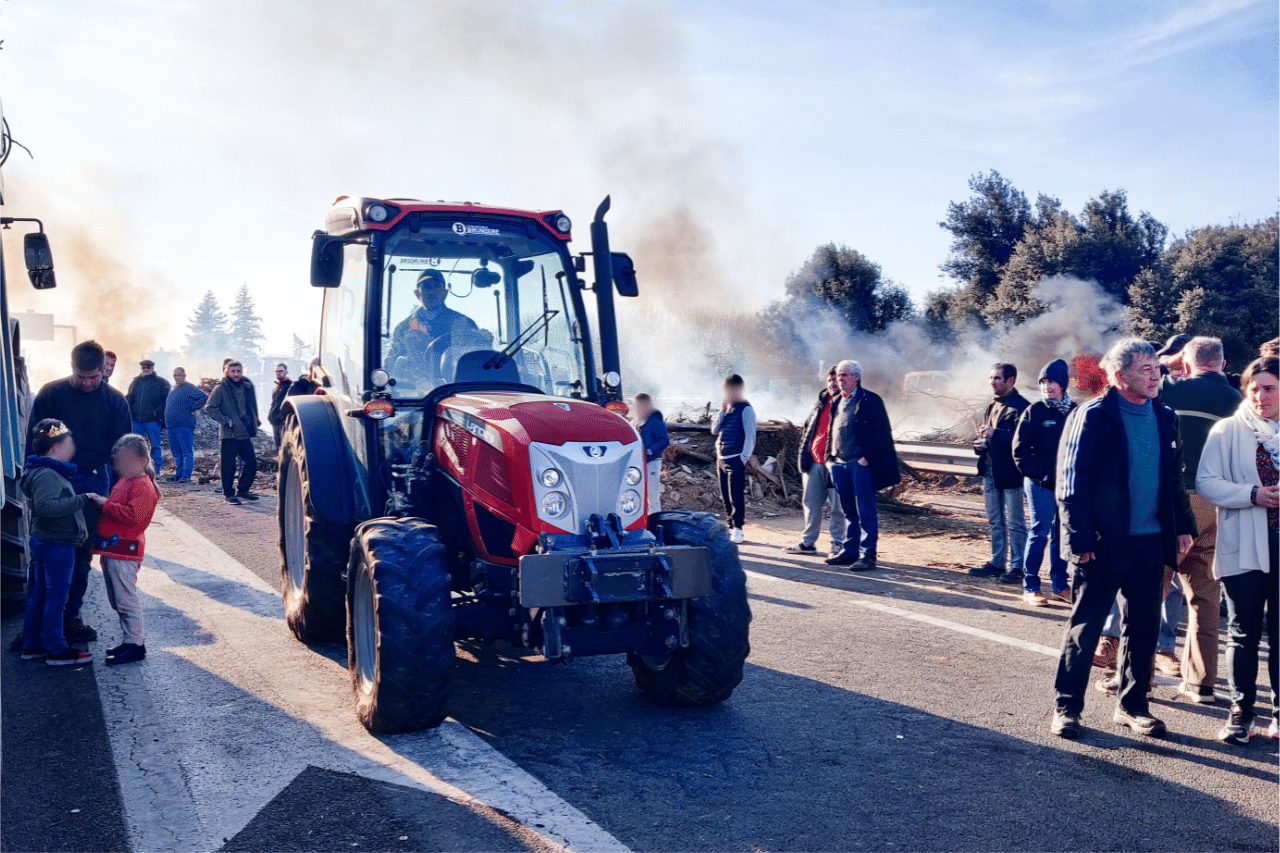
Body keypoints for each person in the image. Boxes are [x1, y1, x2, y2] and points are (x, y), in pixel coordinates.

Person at [1050, 338, 1195, 740]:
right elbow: (1071, 486)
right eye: (1145, 369)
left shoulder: (1165, 416)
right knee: (1087, 627)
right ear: (1118, 376)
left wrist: (1182, 525)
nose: (1156, 375)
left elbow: (1173, 478)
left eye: (1156, 367)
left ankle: (1133, 707)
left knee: (1143, 627)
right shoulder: (1093, 416)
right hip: (1101, 543)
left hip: (1149, 541)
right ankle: (1067, 708)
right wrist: (1079, 540)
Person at [24, 340, 131, 643]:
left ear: (103, 371)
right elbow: (38, 443)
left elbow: (121, 449)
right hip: (53, 480)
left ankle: (71, 616)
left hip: (94, 480)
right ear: (72, 369)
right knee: (47, 550)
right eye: (81, 377)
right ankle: (37, 625)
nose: (86, 383)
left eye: (93, 377)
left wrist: (118, 494)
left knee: (81, 552)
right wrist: (31, 486)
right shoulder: (52, 395)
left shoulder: (114, 402)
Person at [1196, 356, 1279, 745]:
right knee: (1243, 631)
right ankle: (1241, 713)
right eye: (1254, 389)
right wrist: (1252, 494)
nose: (1260, 396)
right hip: (1245, 544)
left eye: (1269, 388)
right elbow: (1206, 483)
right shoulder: (1227, 430)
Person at [1156, 336, 1241, 704]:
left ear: (1186, 364)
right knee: (1204, 594)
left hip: (1175, 502)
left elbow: (1135, 378)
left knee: (1151, 589)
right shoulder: (1240, 401)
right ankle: (1201, 684)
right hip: (1217, 504)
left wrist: (1168, 361)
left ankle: (1136, 676)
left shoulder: (1171, 387)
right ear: (1222, 365)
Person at [18, 420, 97, 666]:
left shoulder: (39, 470)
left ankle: (31, 645)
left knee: (40, 594)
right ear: (54, 449)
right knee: (56, 596)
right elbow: (46, 507)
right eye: (67, 444)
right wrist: (82, 499)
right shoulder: (49, 475)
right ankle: (56, 649)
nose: (71, 448)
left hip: (45, 540)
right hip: (57, 544)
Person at [88, 434, 160, 666]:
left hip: (125, 552)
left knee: (126, 600)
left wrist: (104, 504)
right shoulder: (127, 480)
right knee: (117, 599)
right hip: (114, 550)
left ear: (142, 460)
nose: (121, 466)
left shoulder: (142, 486)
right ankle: (129, 640)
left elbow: (134, 517)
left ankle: (136, 644)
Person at [824, 360, 899, 571]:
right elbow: (831, 431)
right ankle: (850, 551)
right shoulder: (836, 401)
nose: (841, 378)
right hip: (838, 464)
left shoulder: (870, 400)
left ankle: (868, 555)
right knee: (848, 510)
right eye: (839, 375)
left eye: (845, 375)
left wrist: (866, 457)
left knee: (865, 510)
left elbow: (882, 433)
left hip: (859, 464)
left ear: (856, 377)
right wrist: (829, 458)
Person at [1012, 359, 1075, 606]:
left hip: (1067, 484)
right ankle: (1031, 586)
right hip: (1040, 484)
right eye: (1043, 382)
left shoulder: (1075, 412)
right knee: (1039, 532)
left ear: (1063, 384)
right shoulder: (1034, 411)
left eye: (1052, 382)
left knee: (1062, 534)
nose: (1047, 386)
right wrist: (1041, 475)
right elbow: (1020, 450)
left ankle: (1060, 585)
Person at [970, 363, 1030, 582]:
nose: (992, 382)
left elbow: (1023, 441)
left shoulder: (1022, 407)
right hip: (989, 469)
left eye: (997, 378)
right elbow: (986, 436)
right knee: (995, 520)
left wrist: (996, 433)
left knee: (1015, 522)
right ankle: (997, 562)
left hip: (1011, 472)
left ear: (1010, 381)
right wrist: (979, 444)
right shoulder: (991, 406)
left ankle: (1018, 567)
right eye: (991, 378)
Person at [788, 367, 847, 557]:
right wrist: (803, 456)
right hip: (814, 462)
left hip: (837, 464)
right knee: (811, 504)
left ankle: (838, 544)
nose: (832, 384)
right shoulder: (820, 403)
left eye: (836, 380)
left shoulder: (848, 405)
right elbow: (808, 431)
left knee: (838, 507)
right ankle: (808, 543)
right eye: (829, 380)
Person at [384, 270, 481, 381]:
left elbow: (479, 363)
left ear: (445, 292)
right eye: (426, 287)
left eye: (437, 287)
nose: (432, 292)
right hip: (416, 395)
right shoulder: (404, 329)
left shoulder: (465, 324)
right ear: (417, 293)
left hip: (455, 390)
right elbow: (389, 367)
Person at [205, 360, 261, 505]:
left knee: (252, 462)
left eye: (239, 371)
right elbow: (209, 408)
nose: (236, 374)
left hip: (244, 432)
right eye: (233, 371)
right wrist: (224, 420)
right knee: (228, 466)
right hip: (229, 433)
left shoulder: (247, 386)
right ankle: (229, 494)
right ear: (227, 372)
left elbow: (252, 406)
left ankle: (243, 490)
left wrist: (255, 421)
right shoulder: (221, 388)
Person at [710, 374, 756, 544]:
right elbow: (714, 430)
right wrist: (721, 412)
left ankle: (738, 528)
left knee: (736, 495)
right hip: (721, 458)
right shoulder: (726, 409)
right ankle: (730, 526)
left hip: (735, 458)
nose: (727, 394)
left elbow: (751, 436)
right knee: (725, 496)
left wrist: (743, 458)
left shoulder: (746, 408)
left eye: (729, 390)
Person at [125, 358, 170, 473]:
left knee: (155, 446)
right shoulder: (136, 382)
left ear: (152, 368)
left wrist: (156, 413)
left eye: (148, 367)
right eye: (144, 367)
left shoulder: (161, 383)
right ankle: (136, 469)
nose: (146, 369)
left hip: (152, 421)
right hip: (136, 420)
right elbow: (130, 397)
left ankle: (157, 470)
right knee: (134, 446)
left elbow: (166, 401)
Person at [164, 367, 207, 483]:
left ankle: (186, 476)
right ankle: (178, 474)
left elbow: (203, 397)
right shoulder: (173, 389)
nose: (177, 377)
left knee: (186, 451)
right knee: (176, 452)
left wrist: (192, 408)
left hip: (184, 425)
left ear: (184, 375)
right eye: (175, 375)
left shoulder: (188, 387)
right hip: (171, 426)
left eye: (179, 375)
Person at [631, 393, 670, 513]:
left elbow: (664, 440)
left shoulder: (655, 422)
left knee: (652, 493)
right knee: (640, 492)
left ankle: (655, 519)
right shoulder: (636, 422)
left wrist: (650, 450)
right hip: (640, 462)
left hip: (652, 461)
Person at [267, 363, 293, 449]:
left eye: (281, 371)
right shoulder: (275, 387)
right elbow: (273, 403)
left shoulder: (291, 385)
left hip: (283, 421)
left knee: (285, 446)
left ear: (286, 372)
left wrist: (285, 418)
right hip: (275, 421)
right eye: (276, 371)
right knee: (277, 446)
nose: (278, 373)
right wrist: (270, 416)